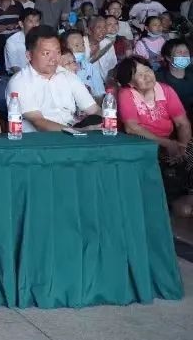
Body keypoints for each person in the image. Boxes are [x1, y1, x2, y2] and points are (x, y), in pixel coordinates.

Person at [115, 56, 193, 210]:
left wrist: (182, 147)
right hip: (141, 142)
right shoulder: (126, 94)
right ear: (130, 83)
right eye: (139, 74)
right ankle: (165, 202)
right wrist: (167, 143)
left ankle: (189, 193)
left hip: (170, 139)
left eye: (147, 70)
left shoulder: (166, 90)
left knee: (189, 153)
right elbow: (132, 128)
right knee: (160, 163)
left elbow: (182, 123)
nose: (147, 76)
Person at [6, 25, 101, 132]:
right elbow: (38, 122)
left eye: (58, 52)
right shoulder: (19, 81)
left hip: (72, 132)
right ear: (29, 55)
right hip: (39, 138)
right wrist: (78, 131)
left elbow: (94, 109)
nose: (54, 59)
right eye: (46, 53)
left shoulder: (68, 76)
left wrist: (106, 121)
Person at [61, 30, 106, 98]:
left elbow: (100, 94)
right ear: (65, 48)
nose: (81, 49)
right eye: (76, 45)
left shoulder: (90, 68)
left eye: (82, 45)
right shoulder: (60, 70)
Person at [3, 8, 42, 74]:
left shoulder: (43, 39)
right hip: (20, 76)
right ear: (21, 24)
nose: (34, 25)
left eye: (37, 21)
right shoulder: (12, 41)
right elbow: (15, 68)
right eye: (30, 21)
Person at [159, 39, 193, 113]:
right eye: (179, 52)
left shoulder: (191, 72)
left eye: (186, 52)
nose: (184, 55)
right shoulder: (160, 79)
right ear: (168, 57)